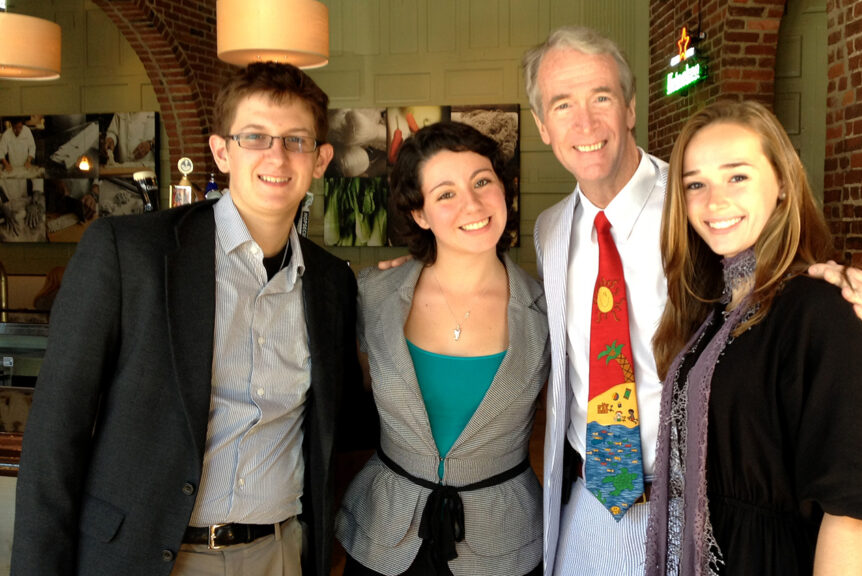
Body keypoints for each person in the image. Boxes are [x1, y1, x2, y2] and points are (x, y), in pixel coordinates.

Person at [521, 26, 862, 575]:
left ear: (629, 109)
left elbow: (794, 294)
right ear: (542, 126)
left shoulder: (700, 205)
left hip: (699, 502)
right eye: (562, 104)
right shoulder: (551, 230)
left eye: (601, 97)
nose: (585, 122)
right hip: (595, 493)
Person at [12, 62, 375, 576]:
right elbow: (54, 435)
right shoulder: (129, 253)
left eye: (296, 140)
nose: (277, 155)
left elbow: (343, 427)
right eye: (256, 137)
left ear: (321, 159)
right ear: (222, 151)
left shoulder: (333, 282)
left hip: (278, 554)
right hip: (146, 556)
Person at [644, 99, 862, 575]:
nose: (715, 201)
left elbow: (851, 510)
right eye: (696, 184)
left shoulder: (821, 308)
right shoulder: (713, 310)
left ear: (781, 185)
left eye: (737, 176)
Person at [337, 121, 549, 576]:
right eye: (445, 193)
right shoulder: (373, 294)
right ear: (420, 213)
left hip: (503, 542)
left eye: (482, 181)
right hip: (385, 534)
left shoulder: (548, 312)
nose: (471, 203)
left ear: (503, 189)